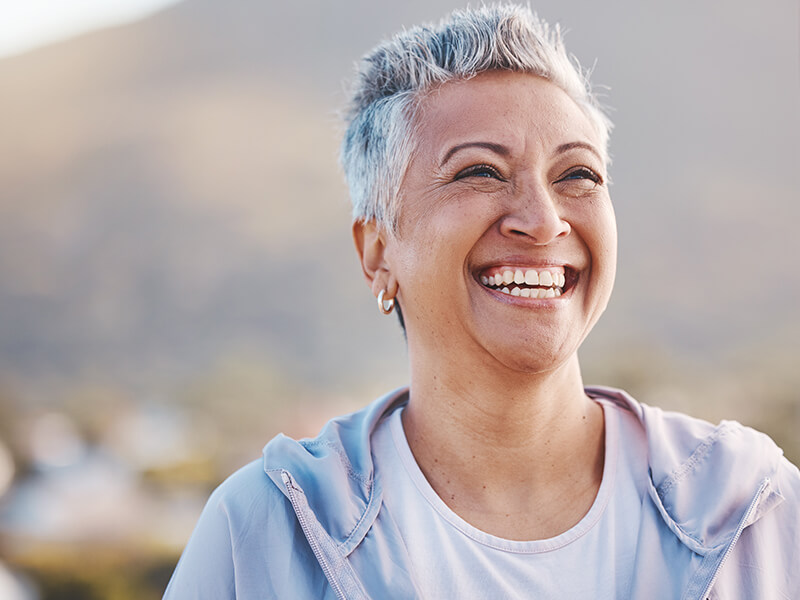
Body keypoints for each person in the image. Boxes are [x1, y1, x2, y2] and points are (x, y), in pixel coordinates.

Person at [164, 5, 800, 599]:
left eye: (577, 175)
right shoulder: (268, 533)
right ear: (377, 251)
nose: (543, 221)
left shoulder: (756, 513)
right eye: (480, 172)